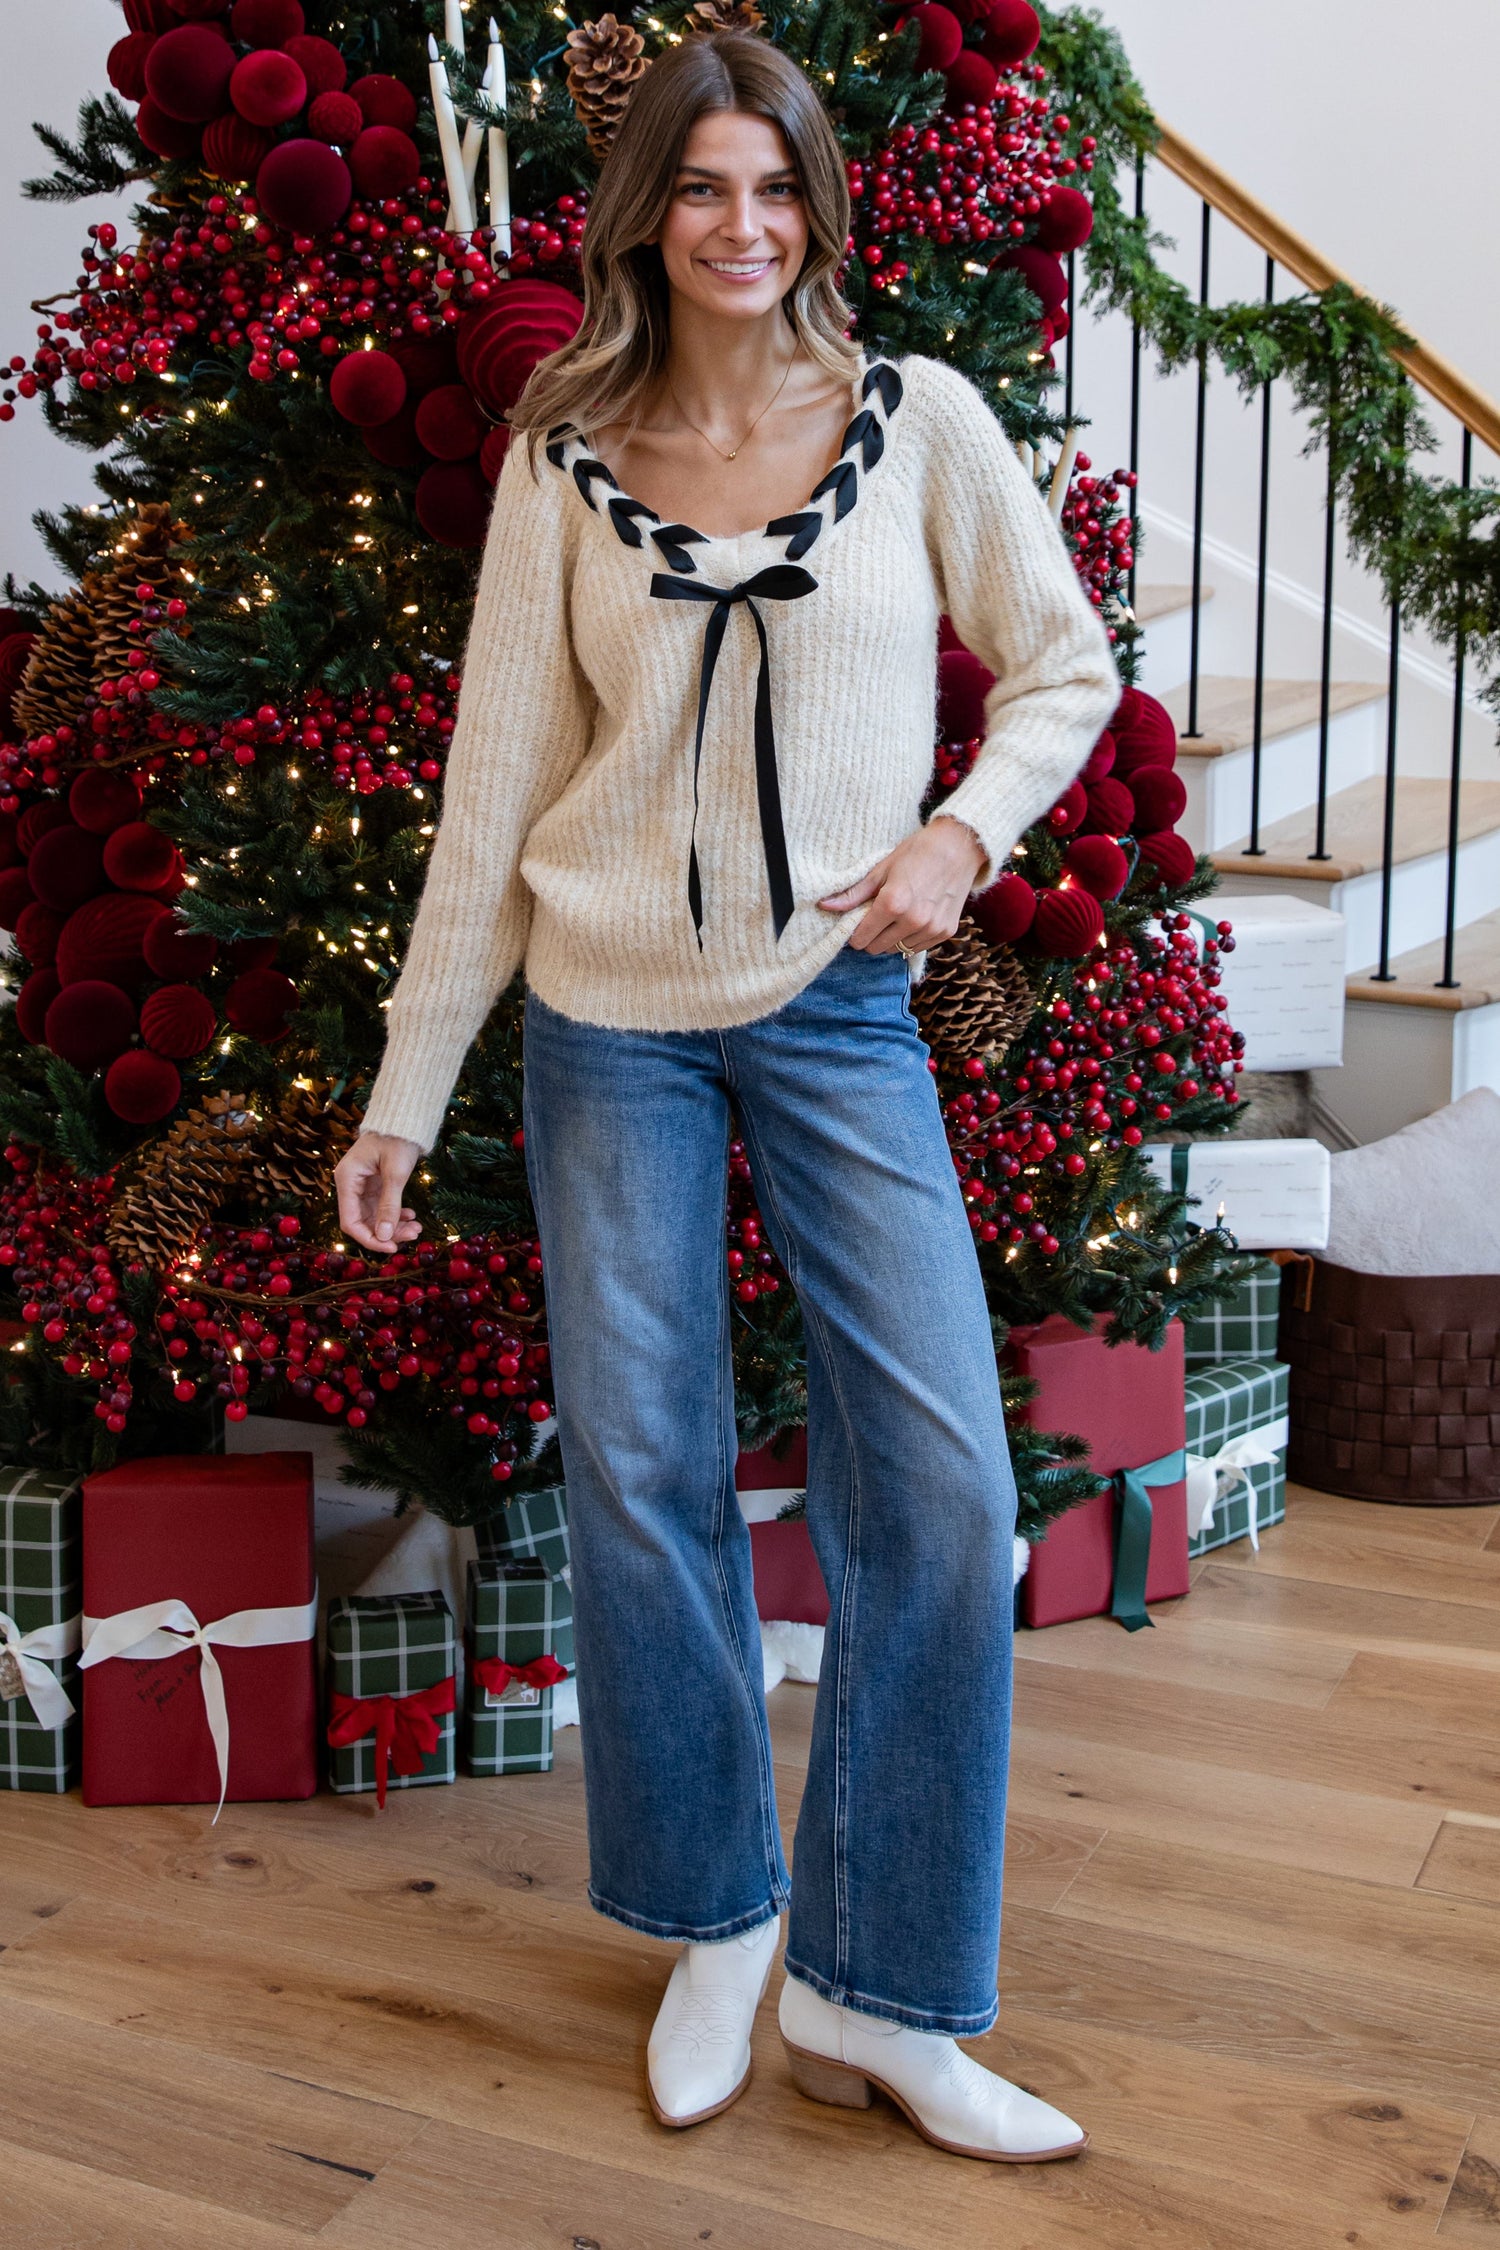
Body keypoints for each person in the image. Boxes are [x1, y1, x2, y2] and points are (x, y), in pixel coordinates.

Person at [334, 30, 1116, 2164]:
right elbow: (495, 783)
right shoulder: (559, 448)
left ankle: (886, 1995)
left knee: (947, 1496)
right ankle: (711, 1912)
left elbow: (1065, 663)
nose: (742, 228)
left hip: (844, 1011)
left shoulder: (915, 422)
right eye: (702, 190)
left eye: (775, 190)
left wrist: (959, 843)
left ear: (820, 210)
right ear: (646, 216)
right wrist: (414, 1084)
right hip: (610, 1024)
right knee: (648, 1474)